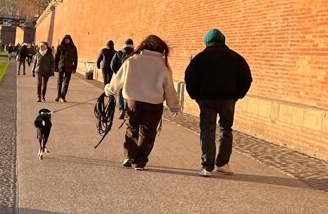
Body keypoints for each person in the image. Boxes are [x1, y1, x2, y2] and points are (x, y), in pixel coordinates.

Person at [105, 34, 181, 170]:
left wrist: (110, 90)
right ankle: (140, 161)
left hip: (133, 100)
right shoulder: (163, 65)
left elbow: (118, 78)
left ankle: (129, 156)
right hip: (154, 102)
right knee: (148, 132)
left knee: (131, 127)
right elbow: (169, 87)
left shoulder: (132, 60)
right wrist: (174, 105)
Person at [184, 29, 253, 177]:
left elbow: (189, 78)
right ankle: (222, 163)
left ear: (207, 41)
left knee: (207, 130)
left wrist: (196, 96)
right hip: (227, 99)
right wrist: (237, 95)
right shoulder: (236, 58)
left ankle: (207, 166)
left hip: (206, 99)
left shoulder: (200, 58)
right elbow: (247, 78)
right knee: (226, 129)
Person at [110, 38, 135, 117]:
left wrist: (117, 73)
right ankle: (128, 109)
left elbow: (112, 65)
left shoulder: (119, 53)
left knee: (121, 92)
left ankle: (121, 109)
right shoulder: (135, 54)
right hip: (132, 77)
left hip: (122, 77)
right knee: (130, 93)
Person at [55, 34, 79, 102]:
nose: (67, 40)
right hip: (61, 66)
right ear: (64, 40)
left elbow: (75, 58)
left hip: (69, 67)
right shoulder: (60, 47)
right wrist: (55, 66)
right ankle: (58, 95)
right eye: (66, 39)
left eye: (68, 39)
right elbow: (56, 57)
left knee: (66, 82)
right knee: (59, 81)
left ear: (70, 40)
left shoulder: (73, 48)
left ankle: (63, 96)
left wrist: (75, 68)